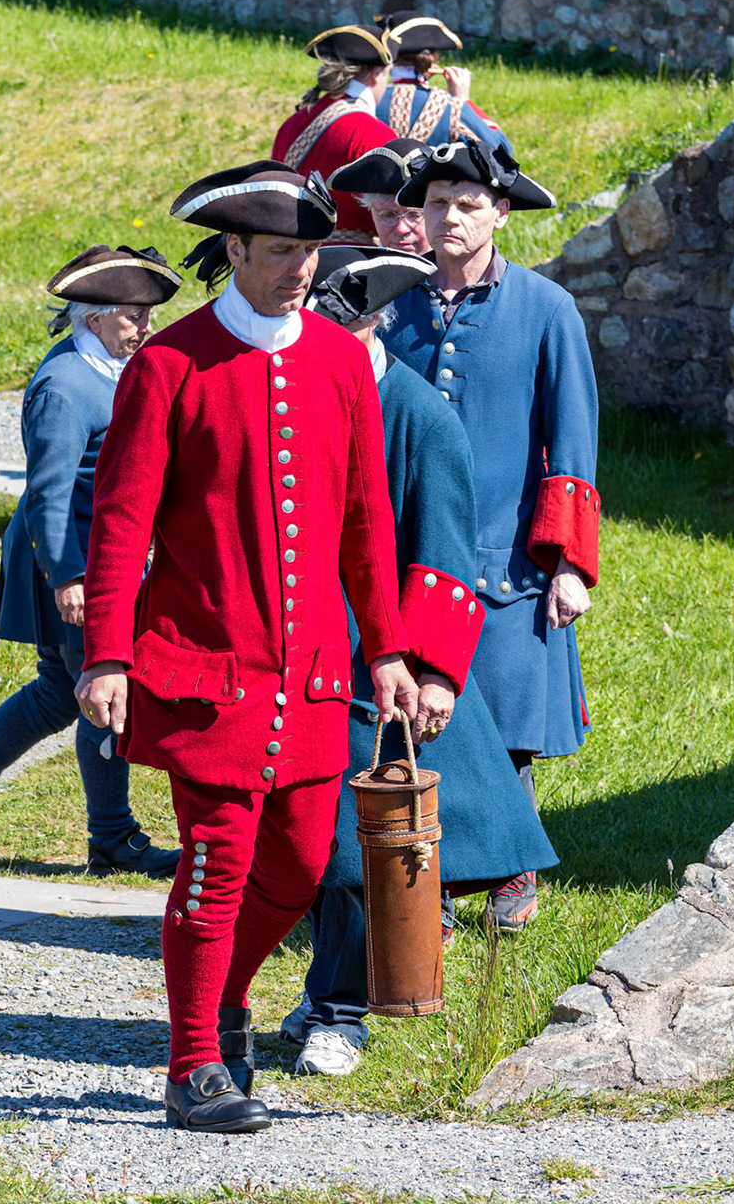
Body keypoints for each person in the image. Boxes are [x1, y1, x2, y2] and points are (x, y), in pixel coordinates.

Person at [74, 161, 432, 1134]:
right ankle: (193, 1063)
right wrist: (107, 652)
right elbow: (122, 520)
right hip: (206, 671)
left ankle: (221, 1000)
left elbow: (366, 521)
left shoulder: (341, 361)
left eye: (309, 252)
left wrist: (388, 648)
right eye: (279, 252)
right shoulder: (169, 364)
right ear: (233, 250)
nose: (299, 270)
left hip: (312, 677)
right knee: (216, 863)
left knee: (302, 865)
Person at [281, 245, 559, 1078]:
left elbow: (443, 561)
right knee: (307, 846)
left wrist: (433, 670)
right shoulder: (298, 395)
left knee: (354, 848)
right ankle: (322, 997)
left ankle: (340, 1016)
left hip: (381, 668)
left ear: (365, 322)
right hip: (300, 658)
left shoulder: (419, 419)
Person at [0, 246, 184, 879]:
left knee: (61, 693)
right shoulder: (63, 387)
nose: (146, 327)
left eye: (147, 315)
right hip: (73, 561)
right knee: (103, 691)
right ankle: (111, 837)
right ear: (95, 318)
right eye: (134, 316)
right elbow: (50, 492)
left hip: (94, 559)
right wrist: (68, 575)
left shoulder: (108, 367)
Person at [382, 139, 597, 933]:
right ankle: (426, 879)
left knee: (506, 731)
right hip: (407, 557)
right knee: (411, 724)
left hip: (507, 562)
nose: (451, 218)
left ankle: (513, 868)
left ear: (500, 213)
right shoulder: (389, 305)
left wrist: (568, 564)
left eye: (469, 204)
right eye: (437, 203)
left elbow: (572, 443)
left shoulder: (547, 309)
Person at [270, 25, 400, 244]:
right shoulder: (374, 132)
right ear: (376, 74)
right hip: (354, 257)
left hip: (292, 253)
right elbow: (395, 214)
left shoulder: (292, 123)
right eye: (388, 73)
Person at [372, 6, 513, 154]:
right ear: (433, 58)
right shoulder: (452, 107)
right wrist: (464, 101)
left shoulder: (368, 102)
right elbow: (501, 150)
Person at [328, 137, 431, 254]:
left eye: (414, 214)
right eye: (388, 215)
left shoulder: (450, 265)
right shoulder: (354, 265)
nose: (401, 229)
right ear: (372, 213)